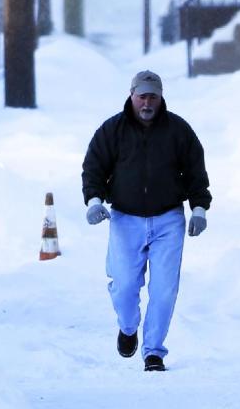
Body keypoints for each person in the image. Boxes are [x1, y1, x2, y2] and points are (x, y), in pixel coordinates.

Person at [82, 69, 211, 372]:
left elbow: (195, 171)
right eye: (142, 96)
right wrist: (94, 201)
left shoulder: (178, 131)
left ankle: (153, 351)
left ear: (161, 96)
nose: (147, 102)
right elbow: (93, 167)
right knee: (125, 285)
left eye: (153, 96)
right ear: (132, 95)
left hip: (168, 219)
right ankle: (128, 328)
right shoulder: (112, 130)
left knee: (164, 289)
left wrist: (199, 209)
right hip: (126, 219)